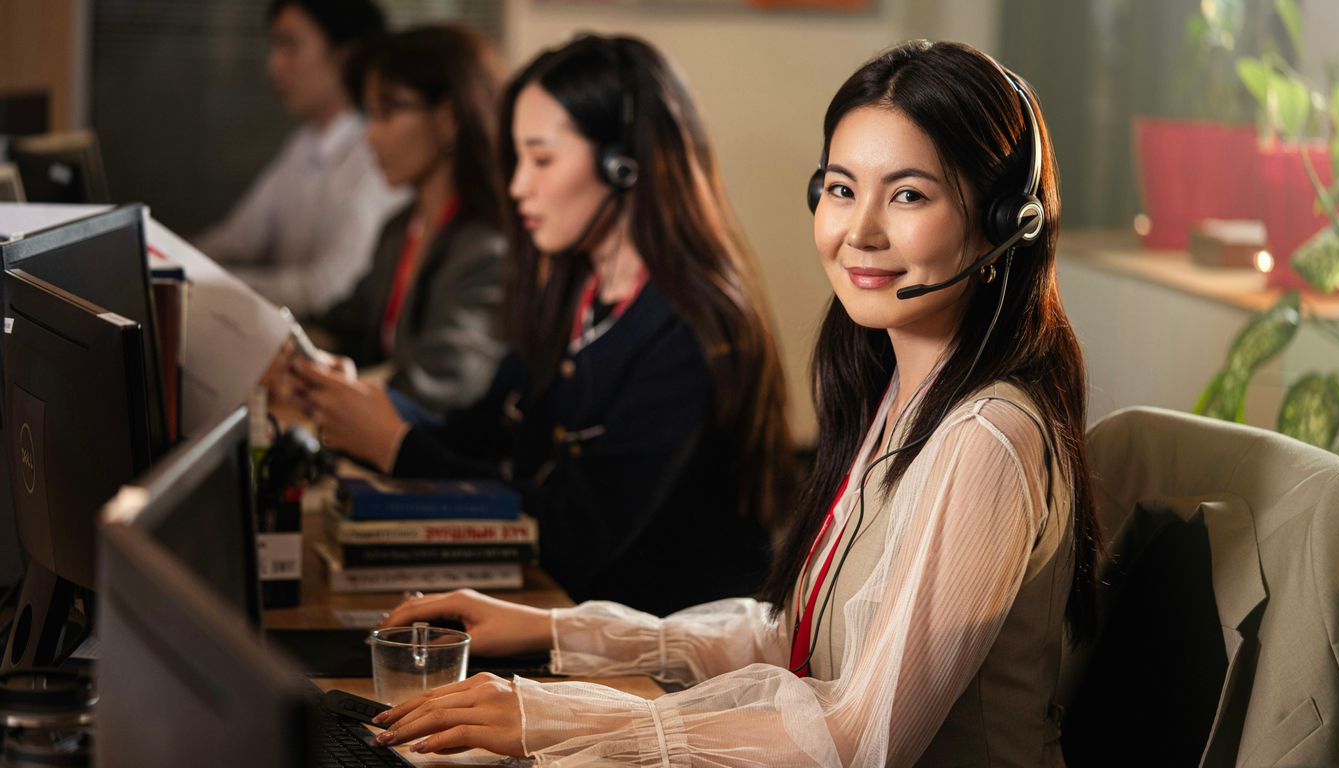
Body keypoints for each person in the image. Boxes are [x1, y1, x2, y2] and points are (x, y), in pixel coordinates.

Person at [361, 40, 1103, 766]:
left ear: (1008, 221)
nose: (858, 232)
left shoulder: (986, 434)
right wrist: (553, 631)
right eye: (841, 190)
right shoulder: (897, 401)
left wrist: (558, 717)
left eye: (908, 194)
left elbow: (859, 740)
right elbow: (794, 640)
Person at [293, 35, 794, 616]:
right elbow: (480, 433)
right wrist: (366, 410)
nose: (517, 187)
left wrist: (399, 446)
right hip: (567, 620)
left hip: (658, 665)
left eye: (542, 159)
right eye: (517, 159)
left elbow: (576, 536)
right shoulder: (572, 292)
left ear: (622, 163)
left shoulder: (691, 333)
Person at [315, 25, 507, 419]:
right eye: (369, 115)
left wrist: (341, 395)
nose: (371, 136)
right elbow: (347, 326)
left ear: (449, 118)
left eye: (387, 113)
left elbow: (448, 379)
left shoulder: (487, 241)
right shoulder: (401, 228)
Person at [196, 0, 407, 319]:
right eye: (275, 46)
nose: (274, 64)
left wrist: (205, 282)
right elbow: (239, 238)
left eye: (290, 46)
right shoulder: (305, 143)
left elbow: (330, 289)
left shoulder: (377, 157)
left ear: (344, 56)